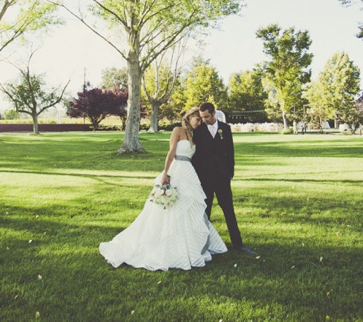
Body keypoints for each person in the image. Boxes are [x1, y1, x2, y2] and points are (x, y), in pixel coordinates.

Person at [99, 107, 227, 270]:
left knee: (189, 207)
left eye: (201, 120)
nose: (200, 122)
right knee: (172, 208)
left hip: (189, 173)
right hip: (176, 170)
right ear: (188, 118)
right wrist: (166, 173)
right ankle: (165, 243)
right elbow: (171, 153)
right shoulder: (178, 130)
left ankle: (189, 244)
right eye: (197, 119)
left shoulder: (193, 135)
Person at [192, 102, 255, 254]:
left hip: (222, 178)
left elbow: (230, 152)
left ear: (214, 113)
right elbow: (196, 156)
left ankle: (238, 244)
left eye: (206, 116)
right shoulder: (199, 131)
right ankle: (203, 246)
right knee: (205, 213)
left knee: (229, 210)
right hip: (205, 179)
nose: (204, 119)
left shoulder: (225, 129)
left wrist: (229, 173)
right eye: (202, 117)